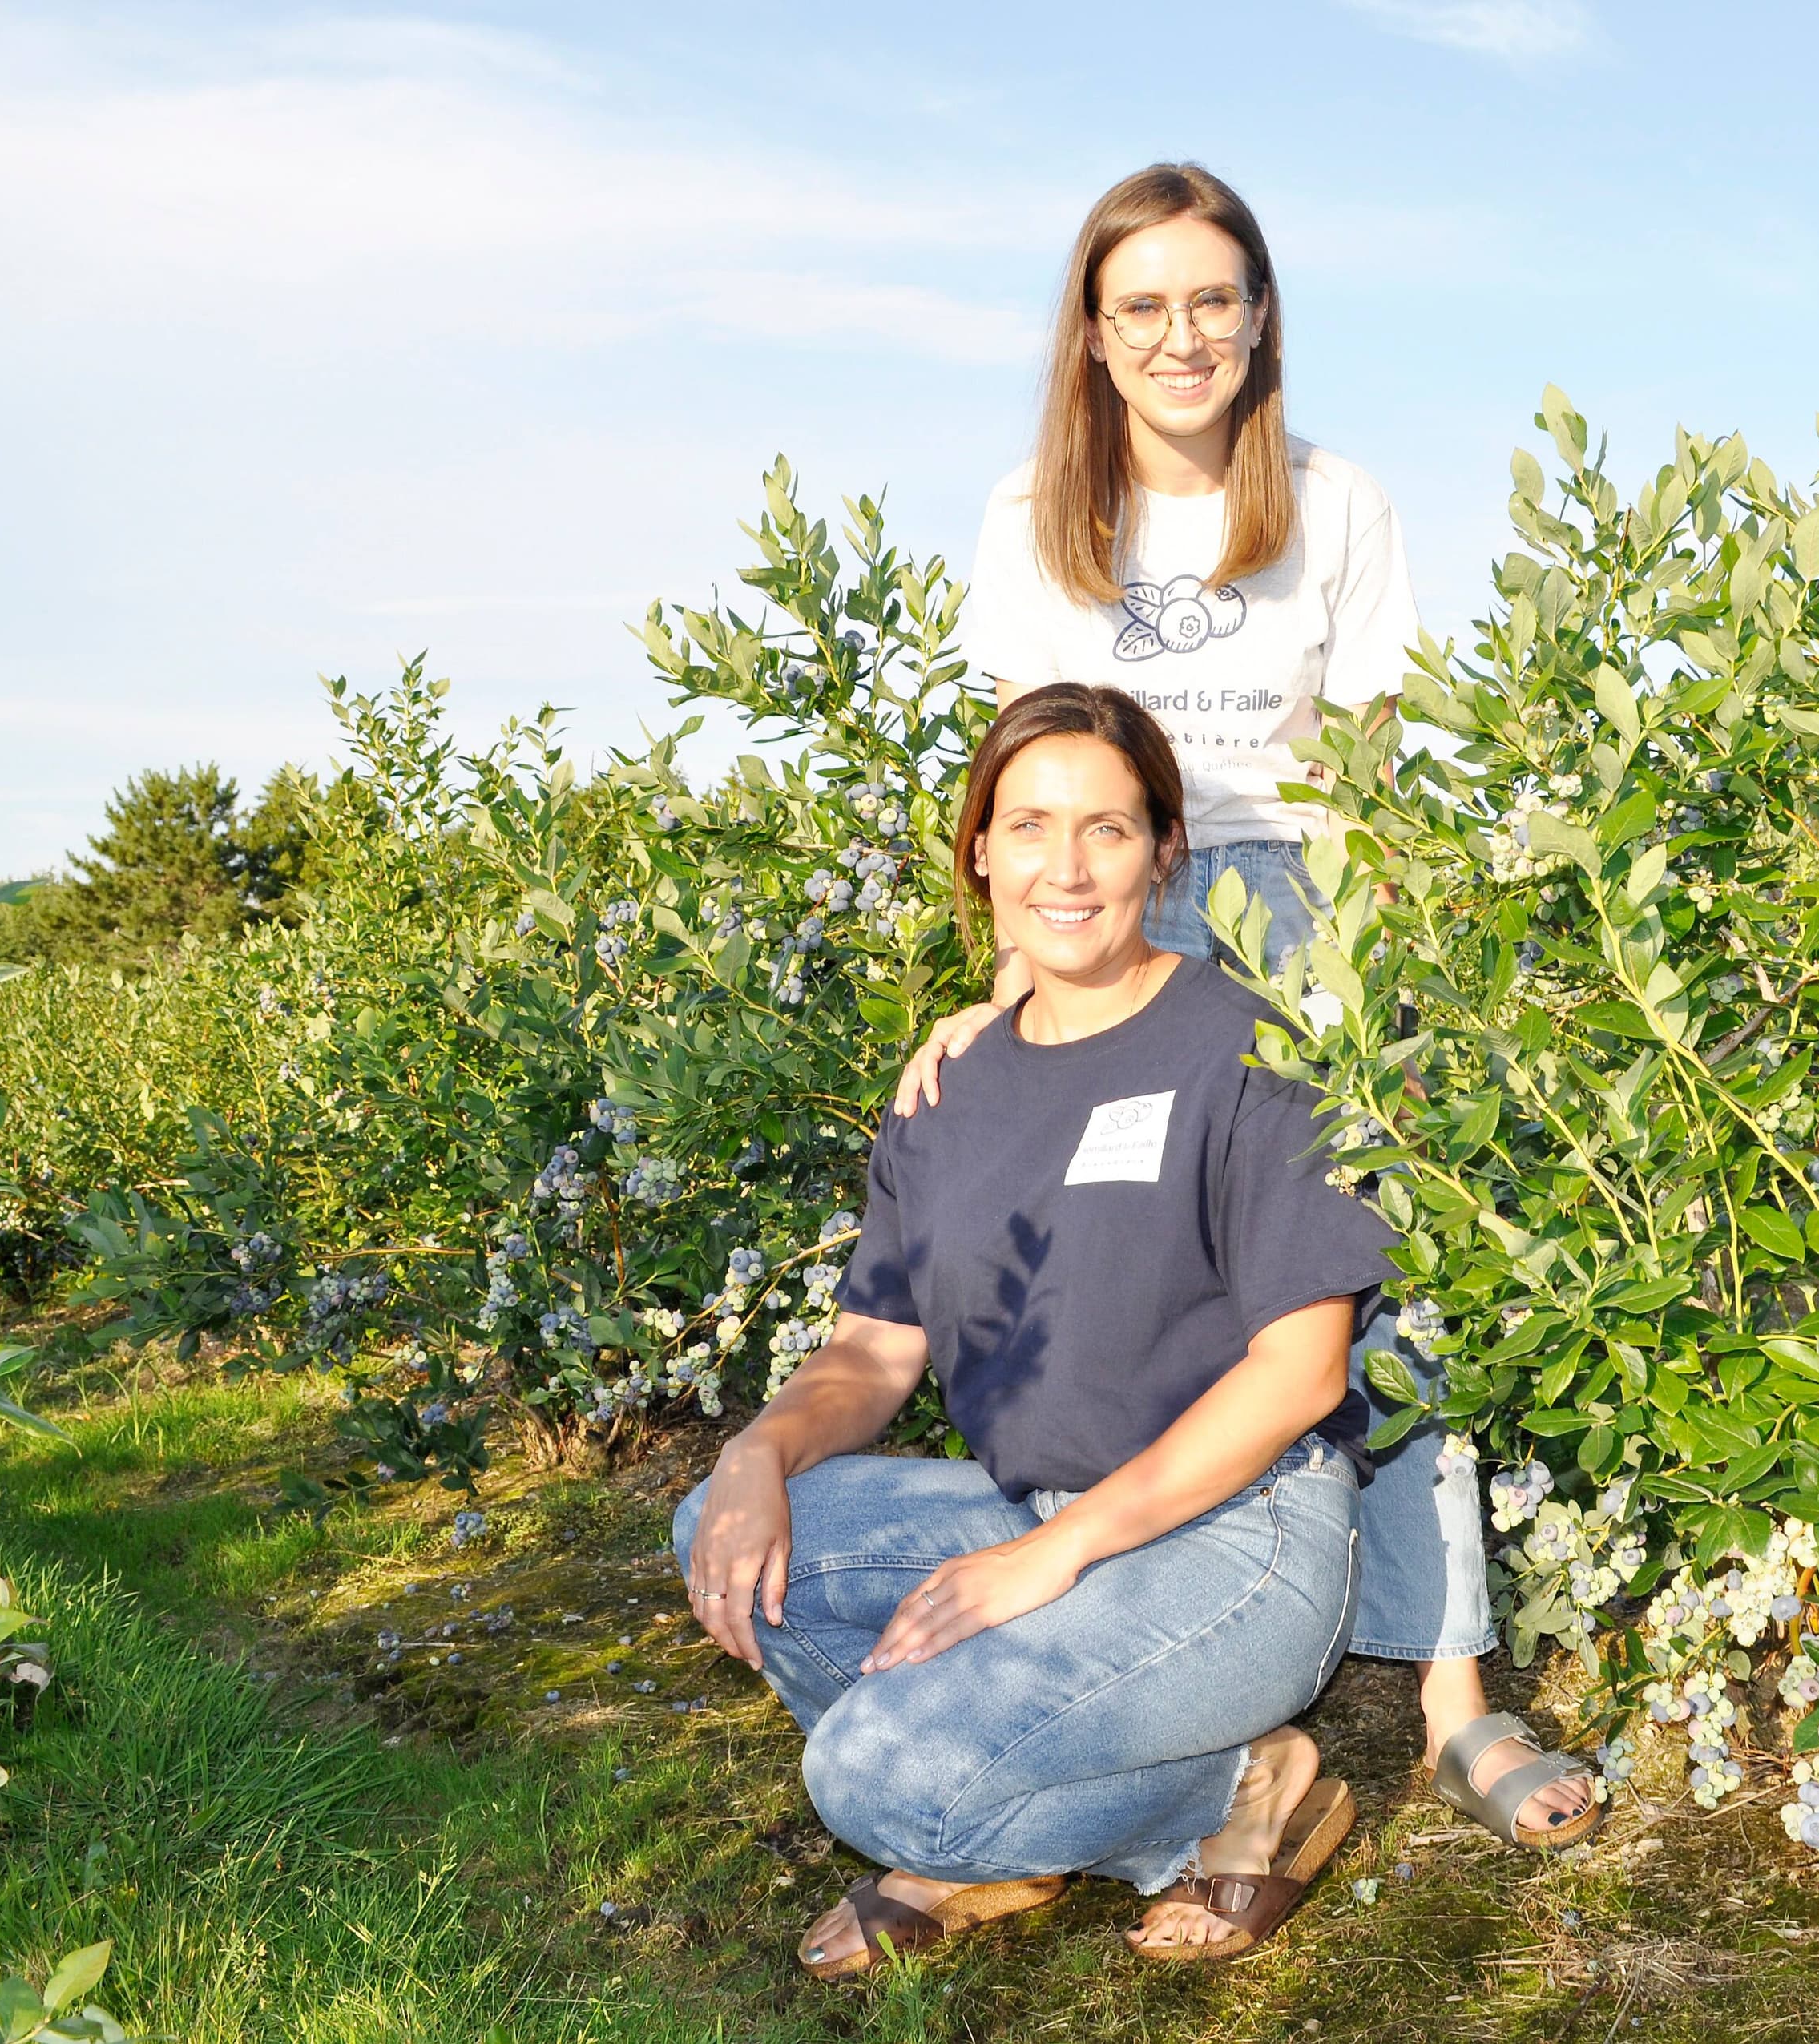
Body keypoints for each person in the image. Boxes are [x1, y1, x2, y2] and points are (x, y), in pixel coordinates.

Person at [889, 160, 1597, 1851]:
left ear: (1260, 317)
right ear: (1094, 333)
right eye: (1144, 305)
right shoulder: (1028, 517)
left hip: (1300, 899)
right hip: (1114, 887)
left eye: (1214, 298)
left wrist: (1374, 977)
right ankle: (1148, 1636)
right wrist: (1002, 994)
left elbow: (1373, 767)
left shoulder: (1335, 503)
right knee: (1111, 1259)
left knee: (1384, 1281)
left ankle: (1447, 1702)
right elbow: (1033, 776)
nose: (1182, 334)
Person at [677, 684, 1389, 1975]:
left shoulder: (1251, 1050)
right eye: (1030, 826)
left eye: (1108, 831)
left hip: (1242, 1535)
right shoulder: (948, 1087)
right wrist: (751, 1457)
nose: (1066, 868)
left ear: (1166, 854)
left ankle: (1091, 1803)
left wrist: (1051, 1558)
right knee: (731, 1529)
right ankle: (1165, 1796)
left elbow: (1302, 1372)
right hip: (1032, 1510)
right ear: (980, 853)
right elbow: (873, 1355)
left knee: (868, 1772)